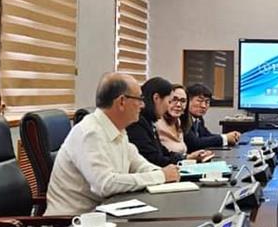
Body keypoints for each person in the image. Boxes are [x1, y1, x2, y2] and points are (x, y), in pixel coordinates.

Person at [45, 73, 180, 216]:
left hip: (106, 213)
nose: (143, 105)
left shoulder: (118, 130)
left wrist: (164, 173)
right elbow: (105, 184)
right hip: (74, 222)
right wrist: (161, 176)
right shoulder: (90, 133)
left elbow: (139, 165)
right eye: (139, 99)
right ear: (122, 102)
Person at [127, 77, 184, 166]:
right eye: (169, 102)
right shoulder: (137, 123)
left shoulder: (149, 122)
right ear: (156, 98)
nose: (168, 107)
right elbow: (152, 159)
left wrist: (185, 158)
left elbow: (161, 151)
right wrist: (180, 162)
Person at [156, 83, 212, 161]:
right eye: (174, 99)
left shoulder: (179, 122)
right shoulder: (157, 124)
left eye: (183, 101)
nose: (178, 104)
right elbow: (159, 157)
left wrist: (193, 156)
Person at [186, 83, 240, 150]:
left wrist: (229, 136)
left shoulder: (198, 119)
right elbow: (194, 143)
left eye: (207, 102)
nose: (203, 106)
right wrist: (225, 138)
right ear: (187, 101)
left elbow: (207, 136)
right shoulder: (183, 119)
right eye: (199, 101)